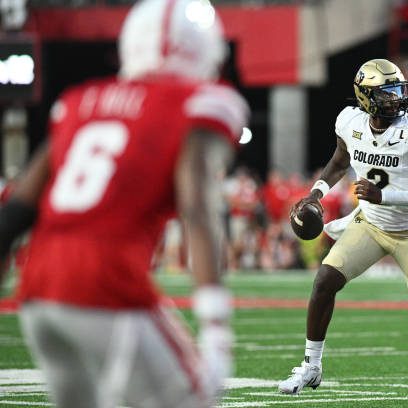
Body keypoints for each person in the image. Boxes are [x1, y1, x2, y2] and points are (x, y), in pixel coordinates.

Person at [0, 0, 249, 406]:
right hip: (106, 284)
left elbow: (16, 211)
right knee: (197, 396)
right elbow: (198, 208)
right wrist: (216, 325)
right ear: (205, 48)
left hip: (37, 289)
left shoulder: (79, 101)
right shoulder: (201, 103)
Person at [278, 59, 408, 403]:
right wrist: (316, 193)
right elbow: (340, 159)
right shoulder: (350, 121)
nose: (396, 98)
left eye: (399, 90)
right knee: (324, 282)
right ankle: (311, 364)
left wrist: (383, 195)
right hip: (369, 223)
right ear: (365, 97)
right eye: (387, 93)